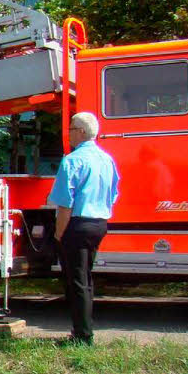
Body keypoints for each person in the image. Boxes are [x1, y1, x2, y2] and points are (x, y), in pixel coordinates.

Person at [47, 112, 119, 344]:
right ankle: (84, 331)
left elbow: (65, 203)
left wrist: (59, 233)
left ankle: (82, 336)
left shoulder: (72, 160)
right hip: (99, 223)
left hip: (77, 225)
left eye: (70, 128)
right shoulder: (106, 159)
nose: (67, 133)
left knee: (76, 281)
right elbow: (113, 194)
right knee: (85, 278)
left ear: (80, 131)